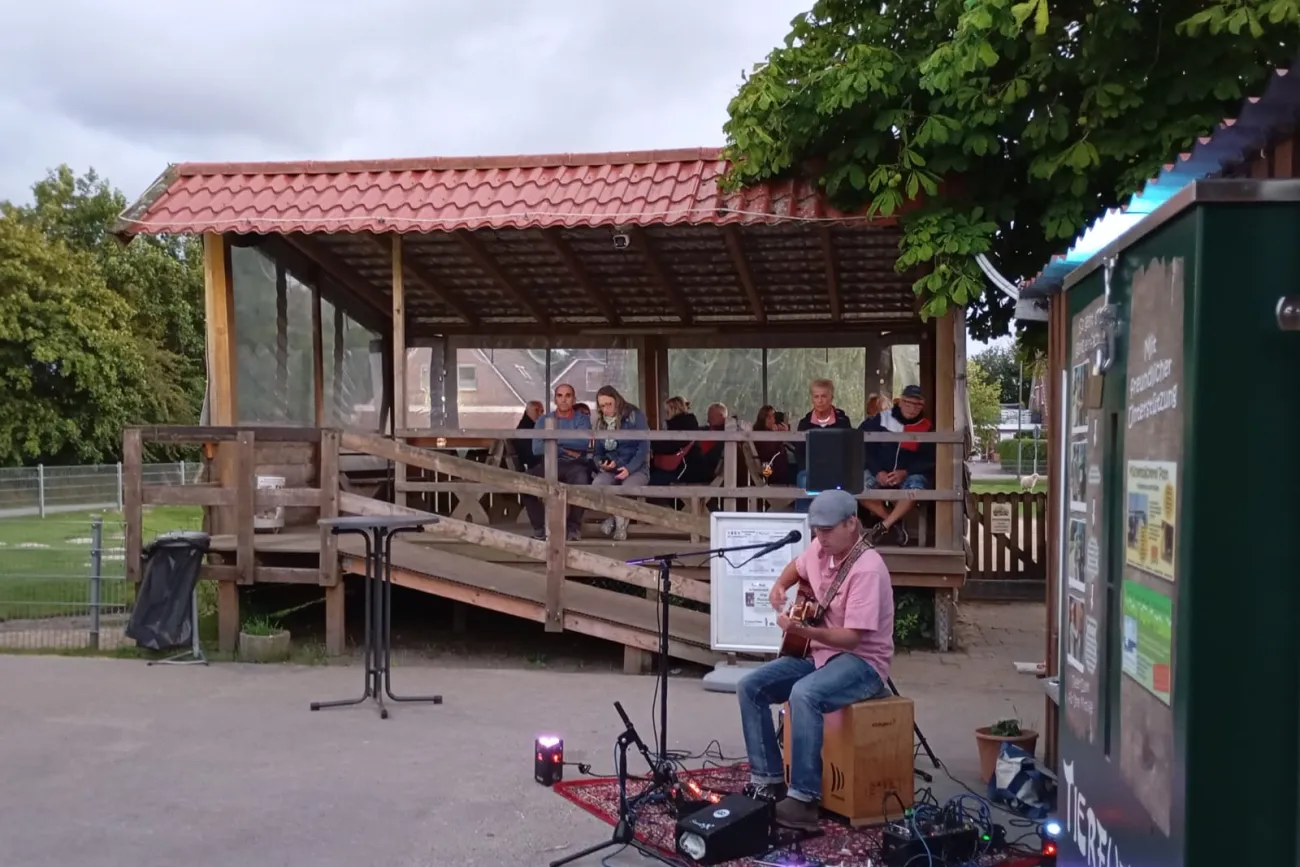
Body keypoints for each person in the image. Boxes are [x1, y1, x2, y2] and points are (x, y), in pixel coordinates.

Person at [736, 489, 895, 831]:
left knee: (805, 694)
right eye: (815, 531)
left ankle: (803, 800)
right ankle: (769, 780)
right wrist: (779, 585)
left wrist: (803, 633)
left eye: (825, 530)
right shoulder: (821, 548)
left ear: (851, 523)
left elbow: (853, 638)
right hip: (821, 655)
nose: (818, 538)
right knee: (750, 686)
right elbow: (796, 566)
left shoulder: (868, 569)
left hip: (863, 662)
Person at [859, 384, 935, 546]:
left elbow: (927, 458)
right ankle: (893, 521)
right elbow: (865, 448)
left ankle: (886, 525)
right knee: (856, 486)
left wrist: (905, 472)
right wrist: (877, 471)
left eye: (918, 404)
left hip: (908, 474)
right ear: (900, 402)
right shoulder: (881, 419)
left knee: (915, 487)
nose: (913, 408)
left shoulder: (927, 427)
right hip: (879, 472)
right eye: (908, 402)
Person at [521, 384, 592, 541]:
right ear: (555, 399)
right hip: (549, 464)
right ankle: (540, 529)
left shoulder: (582, 419)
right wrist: (565, 448)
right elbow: (537, 448)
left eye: (568, 395)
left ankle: (573, 528)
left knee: (582, 481)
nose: (564, 399)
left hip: (575, 465)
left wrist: (552, 439)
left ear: (573, 399)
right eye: (560, 395)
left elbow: (582, 444)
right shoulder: (543, 420)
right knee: (525, 482)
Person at [591, 385, 650, 541]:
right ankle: (618, 519)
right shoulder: (601, 423)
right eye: (602, 406)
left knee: (627, 488)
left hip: (637, 467)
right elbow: (597, 453)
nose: (605, 409)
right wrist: (601, 464)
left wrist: (629, 469)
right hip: (612, 467)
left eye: (608, 404)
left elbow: (644, 447)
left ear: (617, 401)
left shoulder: (634, 415)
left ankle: (616, 523)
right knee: (597, 486)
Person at [791, 379, 852, 512]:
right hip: (811, 470)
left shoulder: (843, 421)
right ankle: (804, 526)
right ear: (812, 399)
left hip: (837, 469)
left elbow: (849, 450)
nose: (820, 400)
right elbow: (799, 453)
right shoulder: (804, 423)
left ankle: (836, 526)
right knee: (803, 478)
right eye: (816, 396)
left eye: (824, 396)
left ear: (831, 398)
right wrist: (810, 468)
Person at [649, 396, 700, 486]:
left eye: (667, 411)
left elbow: (670, 446)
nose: (665, 414)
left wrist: (652, 444)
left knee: (650, 480)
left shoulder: (679, 426)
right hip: (687, 467)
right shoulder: (688, 424)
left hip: (682, 469)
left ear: (673, 409)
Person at [753, 404, 791, 485]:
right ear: (763, 419)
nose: (772, 420)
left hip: (778, 467)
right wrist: (778, 437)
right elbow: (769, 453)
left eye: (773, 417)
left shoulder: (769, 433)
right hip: (769, 470)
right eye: (769, 417)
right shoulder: (760, 434)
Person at [512, 400, 545, 471]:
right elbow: (531, 452)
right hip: (533, 466)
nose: (540, 414)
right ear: (527, 411)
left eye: (542, 411)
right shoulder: (526, 429)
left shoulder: (534, 427)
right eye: (536, 410)